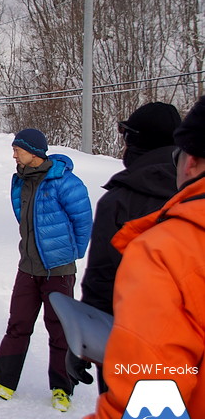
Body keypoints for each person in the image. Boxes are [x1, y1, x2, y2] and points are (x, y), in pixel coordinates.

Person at [80, 97, 205, 419]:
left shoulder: (163, 243)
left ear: (191, 160)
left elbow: (150, 400)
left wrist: (86, 342)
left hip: (130, 352)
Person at [0, 128, 92, 412]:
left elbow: (83, 222)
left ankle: (62, 389)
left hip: (57, 270)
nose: (13, 154)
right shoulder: (21, 181)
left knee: (59, 329)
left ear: (34, 152)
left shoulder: (65, 182)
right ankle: (3, 380)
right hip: (28, 267)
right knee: (18, 324)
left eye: (17, 149)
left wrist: (71, 254)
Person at [71, 102, 180, 393]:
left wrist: (85, 338)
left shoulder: (121, 200)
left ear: (136, 141)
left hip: (132, 343)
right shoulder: (195, 191)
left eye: (126, 135)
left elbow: (102, 280)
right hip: (188, 347)